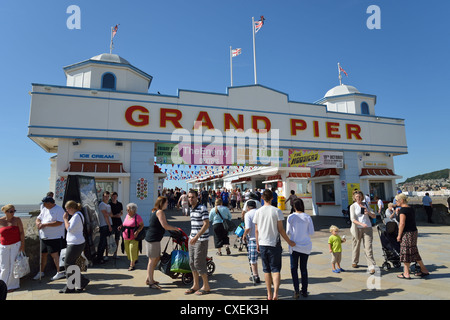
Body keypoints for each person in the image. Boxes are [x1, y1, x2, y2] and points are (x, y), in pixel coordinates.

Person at [253, 189, 295, 300]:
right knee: (276, 269)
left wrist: (257, 243)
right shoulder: (277, 211)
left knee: (266, 270)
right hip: (274, 244)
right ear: (272, 198)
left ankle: (269, 294)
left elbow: (256, 230)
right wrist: (289, 241)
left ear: (262, 198)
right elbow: (281, 230)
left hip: (262, 243)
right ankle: (276, 293)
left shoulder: (258, 212)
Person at [145, 196, 179, 289]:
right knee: (152, 260)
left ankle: (149, 279)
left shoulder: (155, 211)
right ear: (162, 203)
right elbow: (165, 225)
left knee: (155, 259)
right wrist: (175, 228)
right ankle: (151, 282)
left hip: (154, 238)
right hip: (153, 239)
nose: (167, 204)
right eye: (166, 202)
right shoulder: (160, 212)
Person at [395, 193, 430, 279]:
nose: (396, 202)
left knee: (406, 252)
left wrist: (399, 235)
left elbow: (402, 224)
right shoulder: (410, 209)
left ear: (401, 200)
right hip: (413, 232)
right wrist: (397, 214)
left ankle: (406, 273)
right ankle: (424, 269)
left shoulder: (403, 210)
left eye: (397, 200)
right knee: (414, 251)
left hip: (407, 233)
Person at [286, 199, 314, 299]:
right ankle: (305, 290)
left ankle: (296, 290)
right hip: (305, 245)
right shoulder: (307, 217)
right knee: (303, 268)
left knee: (294, 268)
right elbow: (311, 232)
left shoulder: (291, 216)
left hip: (294, 245)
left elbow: (288, 231)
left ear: (294, 206)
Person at [185, 190, 211, 296]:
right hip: (192, 239)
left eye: (193, 197)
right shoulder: (192, 209)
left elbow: (206, 224)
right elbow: (194, 225)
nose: (191, 199)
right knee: (191, 262)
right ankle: (195, 285)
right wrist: (191, 236)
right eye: (189, 197)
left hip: (201, 240)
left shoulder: (202, 208)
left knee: (199, 263)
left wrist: (197, 236)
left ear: (197, 197)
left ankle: (206, 286)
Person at [60, 201, 89, 293]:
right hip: (76, 242)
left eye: (67, 209)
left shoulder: (76, 216)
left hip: (75, 243)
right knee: (71, 264)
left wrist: (65, 219)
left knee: (67, 264)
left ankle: (71, 286)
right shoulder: (78, 215)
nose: (66, 211)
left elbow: (69, 229)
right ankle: (80, 282)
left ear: (72, 208)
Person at [34, 196, 66, 280]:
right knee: (43, 254)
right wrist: (38, 223)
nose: (43, 205)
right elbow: (38, 218)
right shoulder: (44, 209)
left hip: (55, 236)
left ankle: (60, 272)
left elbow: (59, 222)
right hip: (44, 236)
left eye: (45, 203)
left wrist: (45, 224)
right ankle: (41, 272)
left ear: (50, 203)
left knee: (54, 254)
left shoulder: (59, 210)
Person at [349, 190, 377, 274]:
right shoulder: (353, 206)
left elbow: (374, 215)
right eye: (357, 196)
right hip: (357, 228)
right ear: (354, 197)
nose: (359, 198)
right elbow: (352, 219)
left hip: (367, 228)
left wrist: (368, 212)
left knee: (368, 247)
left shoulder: (366, 205)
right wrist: (361, 224)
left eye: (360, 196)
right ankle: (354, 261)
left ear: (362, 197)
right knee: (356, 246)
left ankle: (371, 266)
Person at [0, 205, 25, 292]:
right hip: (3, 246)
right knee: (4, 266)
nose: (13, 213)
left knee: (14, 265)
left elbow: (21, 232)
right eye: (11, 211)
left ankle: (12, 286)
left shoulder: (17, 219)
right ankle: (2, 285)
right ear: (5, 212)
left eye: (14, 211)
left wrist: (22, 245)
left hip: (15, 245)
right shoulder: (1, 221)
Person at [119, 203, 144, 271]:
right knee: (127, 250)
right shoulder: (127, 216)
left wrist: (138, 231)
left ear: (133, 210)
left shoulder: (137, 217)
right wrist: (121, 227)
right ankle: (134, 260)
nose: (127, 211)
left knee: (132, 249)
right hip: (125, 236)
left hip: (134, 237)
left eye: (128, 210)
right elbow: (124, 224)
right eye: (127, 210)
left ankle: (132, 264)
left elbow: (142, 225)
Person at [243, 200, 260, 284]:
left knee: (253, 260)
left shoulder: (248, 214)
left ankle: (255, 275)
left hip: (253, 239)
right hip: (263, 239)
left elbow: (248, 228)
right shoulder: (260, 212)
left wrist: (244, 235)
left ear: (247, 207)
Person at [96, 191, 113, 264]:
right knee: (102, 243)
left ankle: (102, 256)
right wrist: (109, 225)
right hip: (104, 225)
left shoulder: (108, 205)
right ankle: (99, 258)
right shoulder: (102, 205)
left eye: (108, 196)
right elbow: (106, 215)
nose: (106, 197)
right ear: (103, 196)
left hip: (108, 225)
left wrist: (109, 214)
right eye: (105, 196)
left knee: (105, 242)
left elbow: (111, 214)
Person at [109, 192, 123, 259]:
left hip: (118, 223)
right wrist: (115, 216)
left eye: (115, 196)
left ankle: (115, 253)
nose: (114, 197)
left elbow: (122, 212)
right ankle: (107, 254)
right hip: (111, 223)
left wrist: (120, 214)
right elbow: (110, 214)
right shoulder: (109, 204)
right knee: (109, 238)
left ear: (117, 196)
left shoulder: (120, 204)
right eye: (112, 196)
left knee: (117, 238)